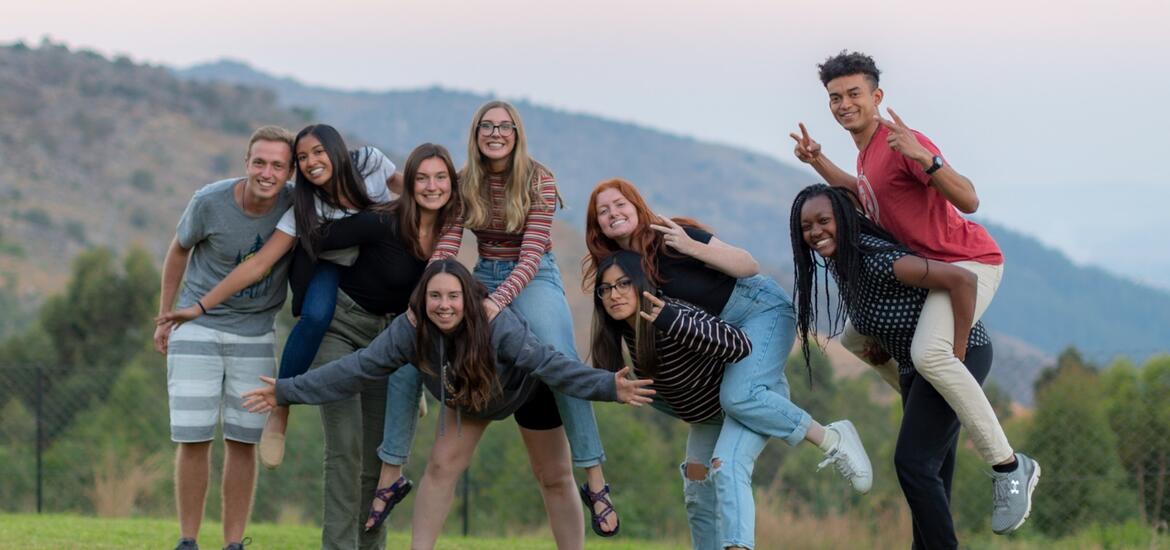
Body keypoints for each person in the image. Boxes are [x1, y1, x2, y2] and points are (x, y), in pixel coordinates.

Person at [161, 140, 456, 550]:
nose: (430, 186)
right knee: (344, 446)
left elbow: (439, 291)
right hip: (340, 322)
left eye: (440, 179)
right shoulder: (374, 218)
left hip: (391, 339)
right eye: (421, 178)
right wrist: (197, 306)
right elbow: (294, 247)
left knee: (378, 455)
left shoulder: (450, 228)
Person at [789, 50, 1039, 533]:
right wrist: (819, 159)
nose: (844, 104)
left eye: (854, 94)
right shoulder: (866, 155)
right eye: (835, 98)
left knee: (931, 354)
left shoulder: (900, 140)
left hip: (969, 263)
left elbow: (968, 198)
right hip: (939, 272)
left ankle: (1010, 467)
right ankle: (938, 389)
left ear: (877, 97)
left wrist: (928, 159)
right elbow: (860, 197)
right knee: (855, 339)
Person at [241, 259, 655, 550]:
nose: (444, 305)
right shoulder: (411, 330)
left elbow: (548, 363)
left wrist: (608, 387)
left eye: (453, 296)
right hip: (470, 398)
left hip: (525, 391)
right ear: (422, 301)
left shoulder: (497, 325)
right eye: (435, 296)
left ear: (467, 297)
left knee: (553, 477)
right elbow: (356, 369)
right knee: (439, 468)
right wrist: (285, 391)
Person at [583, 179, 872, 550]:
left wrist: (691, 246)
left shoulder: (671, 236)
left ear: (637, 206)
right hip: (724, 339)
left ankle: (831, 438)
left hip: (759, 311)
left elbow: (747, 265)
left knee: (738, 398)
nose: (613, 213)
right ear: (598, 227)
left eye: (619, 204)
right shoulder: (623, 274)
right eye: (603, 211)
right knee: (698, 479)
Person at [791, 184, 1036, 547]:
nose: (815, 232)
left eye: (823, 221)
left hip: (949, 360)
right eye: (806, 226)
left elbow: (962, 280)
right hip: (913, 369)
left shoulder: (875, 259)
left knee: (913, 464)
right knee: (929, 474)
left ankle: (1011, 467)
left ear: (842, 219)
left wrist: (959, 347)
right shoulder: (845, 263)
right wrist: (879, 345)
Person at [419, 100, 619, 536]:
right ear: (475, 134)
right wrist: (429, 289)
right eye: (486, 126)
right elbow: (449, 242)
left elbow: (529, 256)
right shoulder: (463, 181)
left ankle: (594, 476)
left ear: (516, 132)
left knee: (560, 354)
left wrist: (497, 303)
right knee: (436, 331)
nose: (495, 133)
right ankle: (401, 455)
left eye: (504, 126)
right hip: (484, 272)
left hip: (533, 276)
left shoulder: (539, 179)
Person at [159, 124, 407, 470]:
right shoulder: (303, 204)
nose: (311, 162)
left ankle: (404, 379)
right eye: (303, 157)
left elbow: (413, 192)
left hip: (371, 257)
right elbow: (258, 264)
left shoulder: (370, 162)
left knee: (405, 285)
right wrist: (198, 306)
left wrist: (456, 188)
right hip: (330, 263)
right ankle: (281, 406)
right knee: (317, 315)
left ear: (336, 148)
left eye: (318, 152)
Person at [153, 125, 295, 550]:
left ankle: (234, 543)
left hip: (255, 333)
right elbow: (178, 249)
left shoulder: (295, 206)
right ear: (246, 163)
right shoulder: (209, 201)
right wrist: (165, 316)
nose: (266, 172)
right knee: (193, 437)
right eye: (259, 162)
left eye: (277, 165)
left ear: (289, 172)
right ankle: (188, 540)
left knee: (243, 440)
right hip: (196, 325)